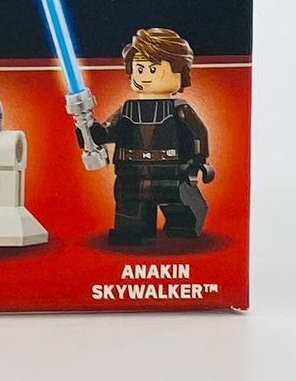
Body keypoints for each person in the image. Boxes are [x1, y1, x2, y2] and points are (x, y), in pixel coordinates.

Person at [87, 27, 214, 245]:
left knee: (179, 203)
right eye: (139, 69)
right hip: (130, 172)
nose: (145, 76)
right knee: (129, 202)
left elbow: (198, 132)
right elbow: (108, 131)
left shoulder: (180, 109)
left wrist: (199, 161)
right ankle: (132, 231)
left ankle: (183, 224)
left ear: (179, 71)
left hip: (171, 171)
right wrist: (92, 132)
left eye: (153, 69)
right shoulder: (127, 109)